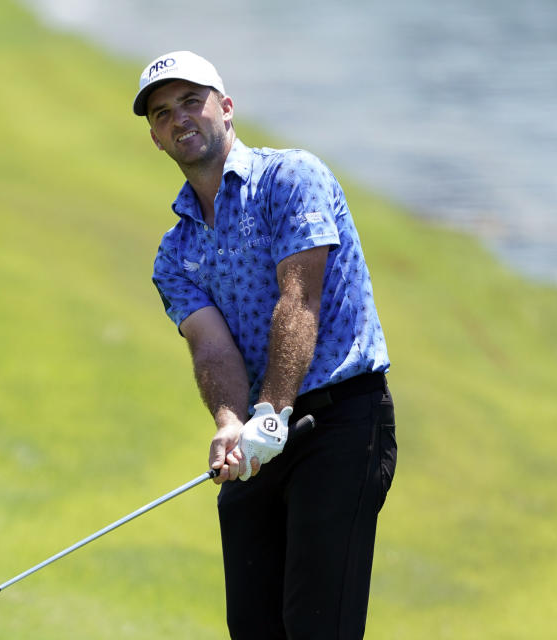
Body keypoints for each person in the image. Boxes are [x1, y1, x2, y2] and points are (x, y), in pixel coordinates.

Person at [133, 51, 397, 639]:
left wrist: (272, 412)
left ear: (226, 108)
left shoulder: (291, 178)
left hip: (341, 424)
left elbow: (298, 299)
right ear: (155, 138)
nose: (180, 118)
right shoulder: (174, 253)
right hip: (257, 435)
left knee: (318, 625)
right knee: (253, 625)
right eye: (162, 112)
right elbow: (211, 347)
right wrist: (231, 422)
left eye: (191, 101)